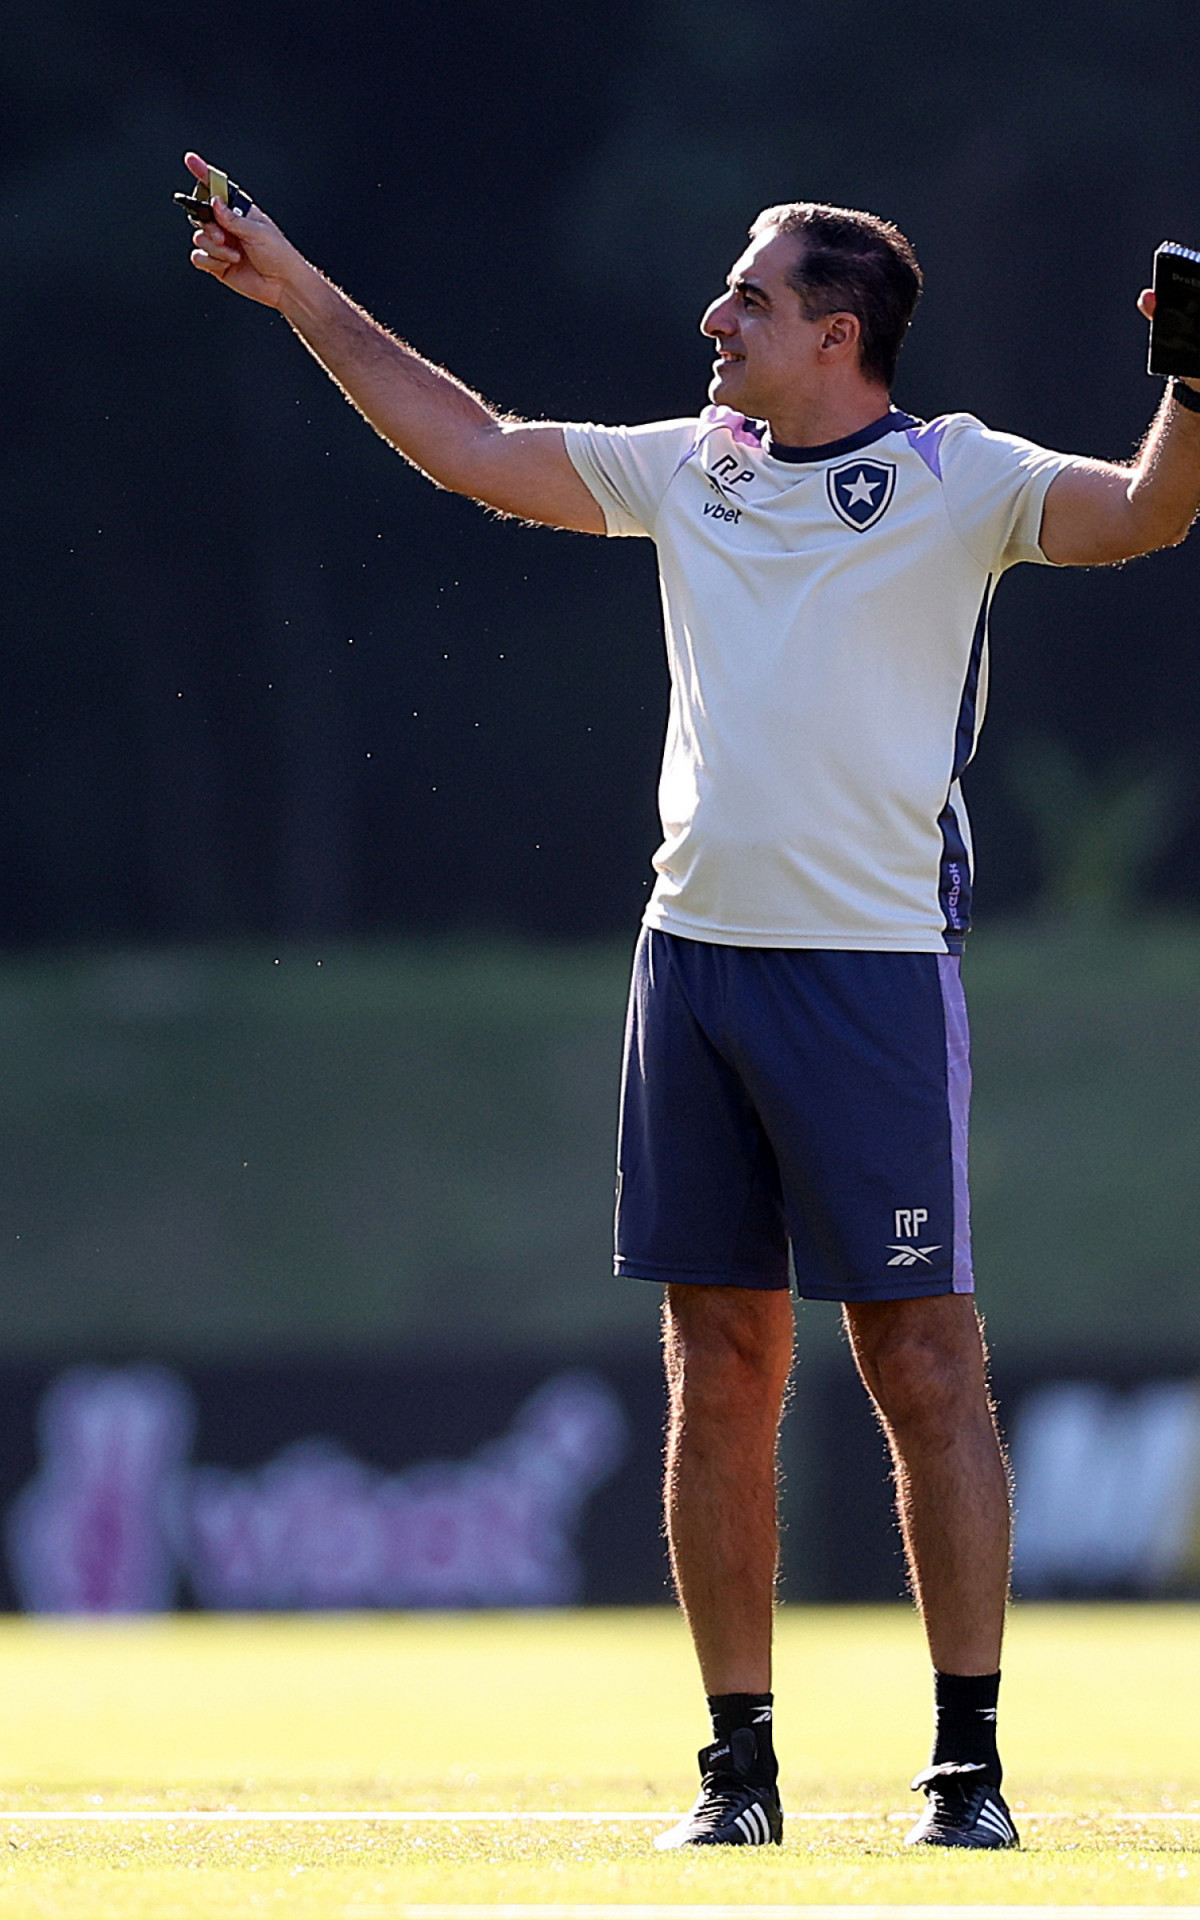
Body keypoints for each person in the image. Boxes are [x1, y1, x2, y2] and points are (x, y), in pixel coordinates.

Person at [181, 152, 1200, 1850]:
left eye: (753, 295)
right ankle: (738, 1776)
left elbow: (1153, 513)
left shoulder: (962, 478)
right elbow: (478, 445)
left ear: (842, 336)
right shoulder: (697, 467)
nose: (716, 316)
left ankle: (967, 1768)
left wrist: (1193, 382)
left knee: (925, 1364)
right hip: (694, 967)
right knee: (718, 1366)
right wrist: (297, 290)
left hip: (872, 977)